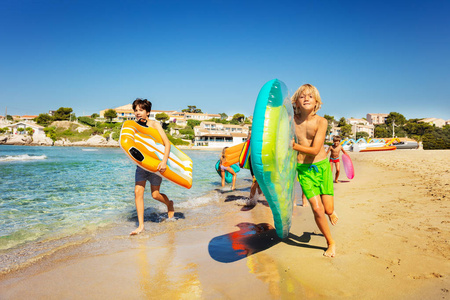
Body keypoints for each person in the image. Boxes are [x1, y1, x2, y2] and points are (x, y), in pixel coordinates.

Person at [291, 84, 339, 257]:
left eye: (310, 96)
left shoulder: (321, 122)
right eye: (302, 96)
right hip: (303, 170)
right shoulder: (291, 121)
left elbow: (314, 149)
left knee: (327, 209)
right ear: (296, 101)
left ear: (316, 102)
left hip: (321, 168)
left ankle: (331, 212)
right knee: (317, 209)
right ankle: (331, 243)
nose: (306, 98)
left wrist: (294, 146)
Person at [130, 98, 174, 236]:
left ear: (148, 112)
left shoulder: (155, 125)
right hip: (142, 165)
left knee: (155, 195)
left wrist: (164, 162)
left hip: (156, 165)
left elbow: (167, 144)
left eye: (141, 110)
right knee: (138, 192)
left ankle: (169, 204)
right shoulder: (134, 126)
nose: (138, 113)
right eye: (136, 110)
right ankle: (141, 226)